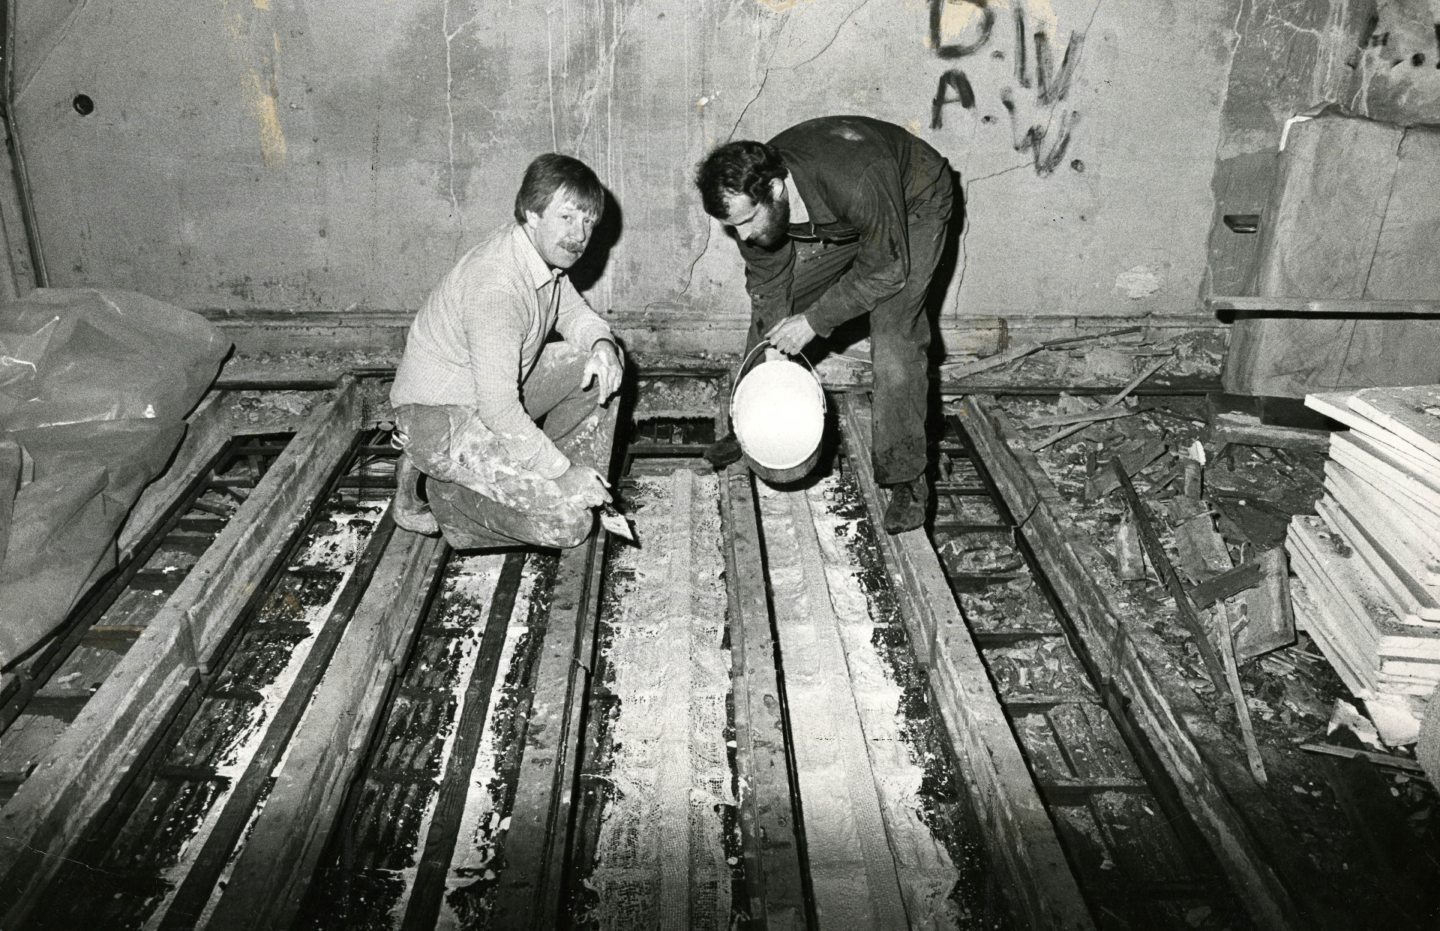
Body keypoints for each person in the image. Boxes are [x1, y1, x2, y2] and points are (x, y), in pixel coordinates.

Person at [694, 115, 957, 533]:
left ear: (776, 189)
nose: (742, 237)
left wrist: (816, 321)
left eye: (747, 222)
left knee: (893, 330)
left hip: (915, 202)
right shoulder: (764, 199)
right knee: (781, 313)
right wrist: (778, 344)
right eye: (732, 227)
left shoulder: (854, 178)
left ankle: (906, 478)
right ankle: (750, 423)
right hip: (853, 217)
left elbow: (888, 268)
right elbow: (769, 285)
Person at [388, 153, 624, 549]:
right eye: (567, 217)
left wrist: (602, 344)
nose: (579, 235)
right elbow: (499, 408)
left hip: (482, 398)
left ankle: (551, 478)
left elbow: (571, 311)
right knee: (569, 524)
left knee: (593, 365)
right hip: (443, 419)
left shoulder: (537, 256)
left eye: (588, 222)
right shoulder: (497, 286)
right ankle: (446, 497)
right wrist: (560, 473)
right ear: (533, 213)